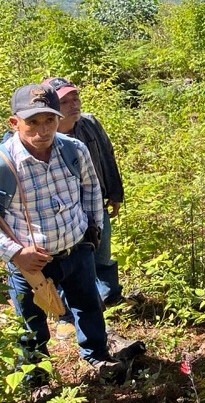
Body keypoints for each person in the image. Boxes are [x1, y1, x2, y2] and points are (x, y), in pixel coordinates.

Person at [1, 84, 124, 395]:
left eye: (50, 121)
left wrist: (92, 233)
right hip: (31, 265)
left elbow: (91, 190)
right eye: (33, 122)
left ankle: (97, 358)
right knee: (31, 322)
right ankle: (37, 378)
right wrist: (15, 253)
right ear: (15, 123)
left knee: (88, 305)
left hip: (76, 249)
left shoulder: (73, 150)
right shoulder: (5, 163)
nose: (43, 131)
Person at [39, 77, 126, 341]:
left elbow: (107, 157)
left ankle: (108, 298)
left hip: (94, 206)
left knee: (101, 254)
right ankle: (65, 317)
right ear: (52, 106)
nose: (73, 105)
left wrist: (114, 194)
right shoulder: (43, 137)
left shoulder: (89, 124)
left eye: (75, 98)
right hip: (63, 218)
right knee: (69, 267)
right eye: (64, 101)